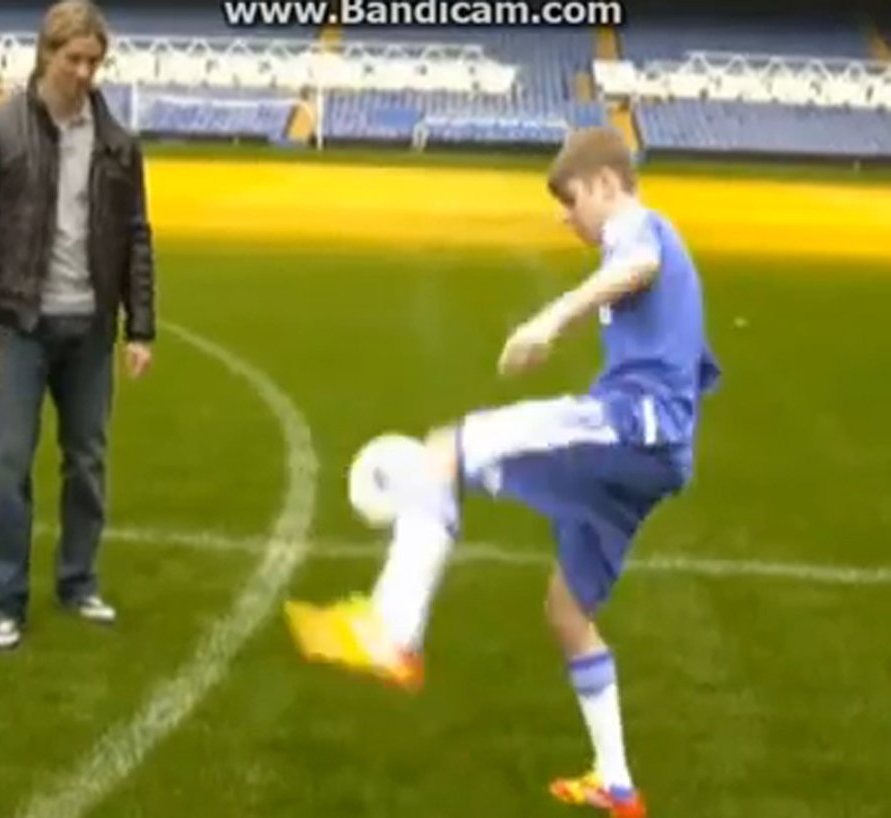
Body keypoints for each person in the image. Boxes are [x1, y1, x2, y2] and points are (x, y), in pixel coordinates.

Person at [284, 125, 721, 818]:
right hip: (657, 455)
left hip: (628, 427)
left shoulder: (638, 228)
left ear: (607, 184)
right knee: (568, 613)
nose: (565, 217)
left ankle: (392, 631)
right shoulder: (657, 248)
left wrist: (550, 320)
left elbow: (636, 264)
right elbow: (691, 356)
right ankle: (616, 784)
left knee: (446, 450)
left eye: (571, 200)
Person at [0, 0, 156, 653]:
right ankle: (3, 600)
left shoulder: (118, 143)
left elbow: (136, 236)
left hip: (90, 328)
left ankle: (78, 581)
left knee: (87, 462)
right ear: (47, 54)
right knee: (9, 463)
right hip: (18, 324)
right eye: (74, 59)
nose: (85, 72)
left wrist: (140, 327)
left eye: (94, 61)